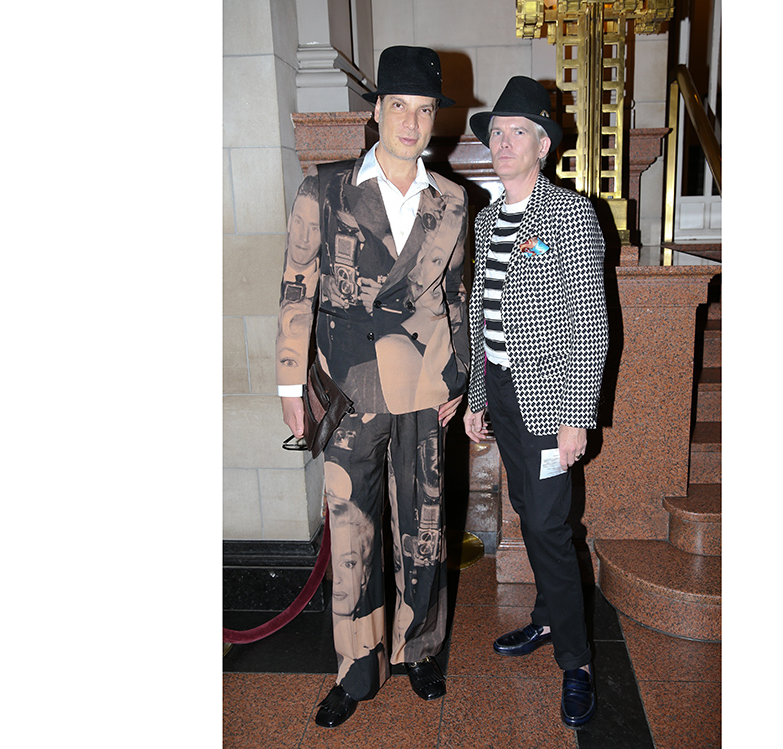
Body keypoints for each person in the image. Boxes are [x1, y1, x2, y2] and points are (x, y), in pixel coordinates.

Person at [276, 45, 470, 729]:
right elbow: (297, 286)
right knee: (352, 526)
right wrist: (290, 384)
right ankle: (356, 668)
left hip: (424, 383)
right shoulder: (324, 190)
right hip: (350, 382)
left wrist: (460, 376)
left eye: (425, 109)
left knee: (424, 525)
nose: (412, 123)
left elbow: (456, 294)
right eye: (400, 106)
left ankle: (422, 651)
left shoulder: (453, 200)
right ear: (378, 110)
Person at [462, 76, 609, 729]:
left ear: (543, 145)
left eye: (516, 131)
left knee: (548, 525)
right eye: (495, 132)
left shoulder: (570, 214)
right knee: (528, 509)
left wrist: (576, 416)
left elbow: (590, 322)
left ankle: (576, 661)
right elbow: (480, 313)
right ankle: (549, 616)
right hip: (502, 389)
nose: (502, 142)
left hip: (551, 399)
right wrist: (476, 395)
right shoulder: (487, 219)